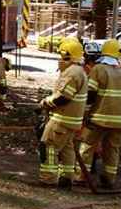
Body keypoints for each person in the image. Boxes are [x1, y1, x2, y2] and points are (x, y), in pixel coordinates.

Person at [78, 39, 121, 189]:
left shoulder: (98, 69)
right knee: (112, 149)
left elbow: (90, 95)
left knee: (87, 146)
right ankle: (109, 179)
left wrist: (85, 114)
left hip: (99, 118)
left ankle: (81, 176)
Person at [38, 37, 88, 189]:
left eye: (61, 54)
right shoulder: (79, 71)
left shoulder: (72, 73)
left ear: (67, 54)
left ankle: (48, 179)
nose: (59, 58)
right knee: (67, 149)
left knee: (48, 146)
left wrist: (44, 104)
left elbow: (63, 97)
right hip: (72, 120)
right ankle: (67, 178)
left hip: (61, 119)